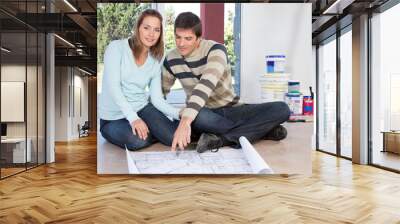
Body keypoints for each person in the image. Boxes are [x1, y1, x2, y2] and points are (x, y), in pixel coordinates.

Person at [162, 12, 290, 153]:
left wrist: (185, 122)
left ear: (199, 39)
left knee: (282, 109)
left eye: (188, 38)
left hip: (231, 109)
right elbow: (160, 92)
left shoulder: (216, 50)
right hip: (202, 113)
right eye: (178, 37)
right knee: (197, 117)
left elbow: (206, 84)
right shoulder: (171, 59)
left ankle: (221, 139)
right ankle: (262, 131)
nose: (181, 43)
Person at [99, 9, 181, 150]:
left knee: (172, 137)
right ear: (138, 28)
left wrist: (179, 114)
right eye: (146, 28)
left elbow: (156, 99)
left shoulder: (156, 58)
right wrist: (133, 118)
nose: (151, 34)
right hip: (113, 117)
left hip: (142, 107)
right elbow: (114, 88)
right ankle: (151, 131)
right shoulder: (116, 48)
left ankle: (157, 130)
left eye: (156, 30)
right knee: (137, 141)